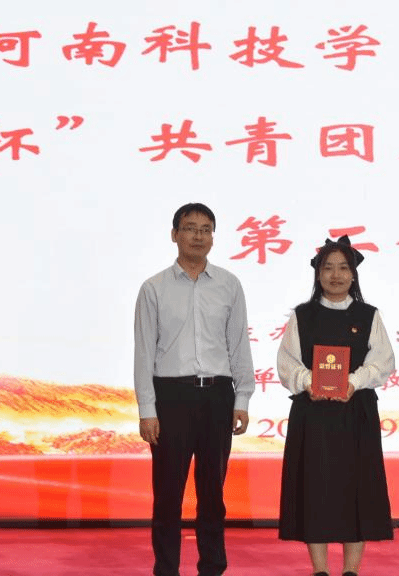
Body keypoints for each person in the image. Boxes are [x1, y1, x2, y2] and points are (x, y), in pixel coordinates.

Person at [134, 202, 255, 576]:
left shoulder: (229, 285)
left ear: (213, 237)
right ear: (175, 235)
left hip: (218, 396)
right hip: (171, 397)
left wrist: (242, 398)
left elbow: (238, 345)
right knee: (168, 494)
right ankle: (166, 569)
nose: (198, 236)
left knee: (213, 493)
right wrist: (147, 410)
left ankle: (213, 567)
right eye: (190, 228)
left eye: (205, 229)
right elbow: (144, 353)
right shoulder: (154, 288)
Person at [276, 235, 396, 576]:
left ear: (353, 274)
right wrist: (308, 381)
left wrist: (353, 382)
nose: (336, 275)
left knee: (356, 490)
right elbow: (286, 363)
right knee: (315, 489)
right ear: (318, 274)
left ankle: (351, 570)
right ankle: (320, 570)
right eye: (328, 268)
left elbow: (384, 361)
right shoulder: (303, 315)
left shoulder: (368, 315)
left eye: (343, 268)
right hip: (313, 414)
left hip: (356, 413)